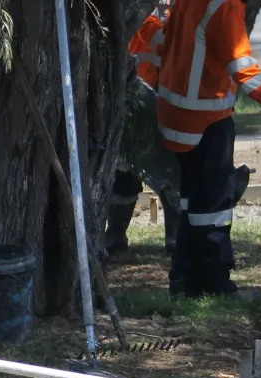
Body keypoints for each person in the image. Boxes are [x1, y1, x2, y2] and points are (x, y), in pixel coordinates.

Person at [156, 0, 261, 297]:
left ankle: (183, 282)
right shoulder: (226, 6)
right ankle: (216, 283)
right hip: (206, 118)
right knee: (214, 206)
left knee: (192, 202)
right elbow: (244, 69)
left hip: (174, 114)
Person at [105, 8, 179, 255]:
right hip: (145, 112)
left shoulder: (121, 23)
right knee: (140, 176)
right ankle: (171, 241)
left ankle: (117, 236)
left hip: (145, 111)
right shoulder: (152, 27)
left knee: (130, 177)